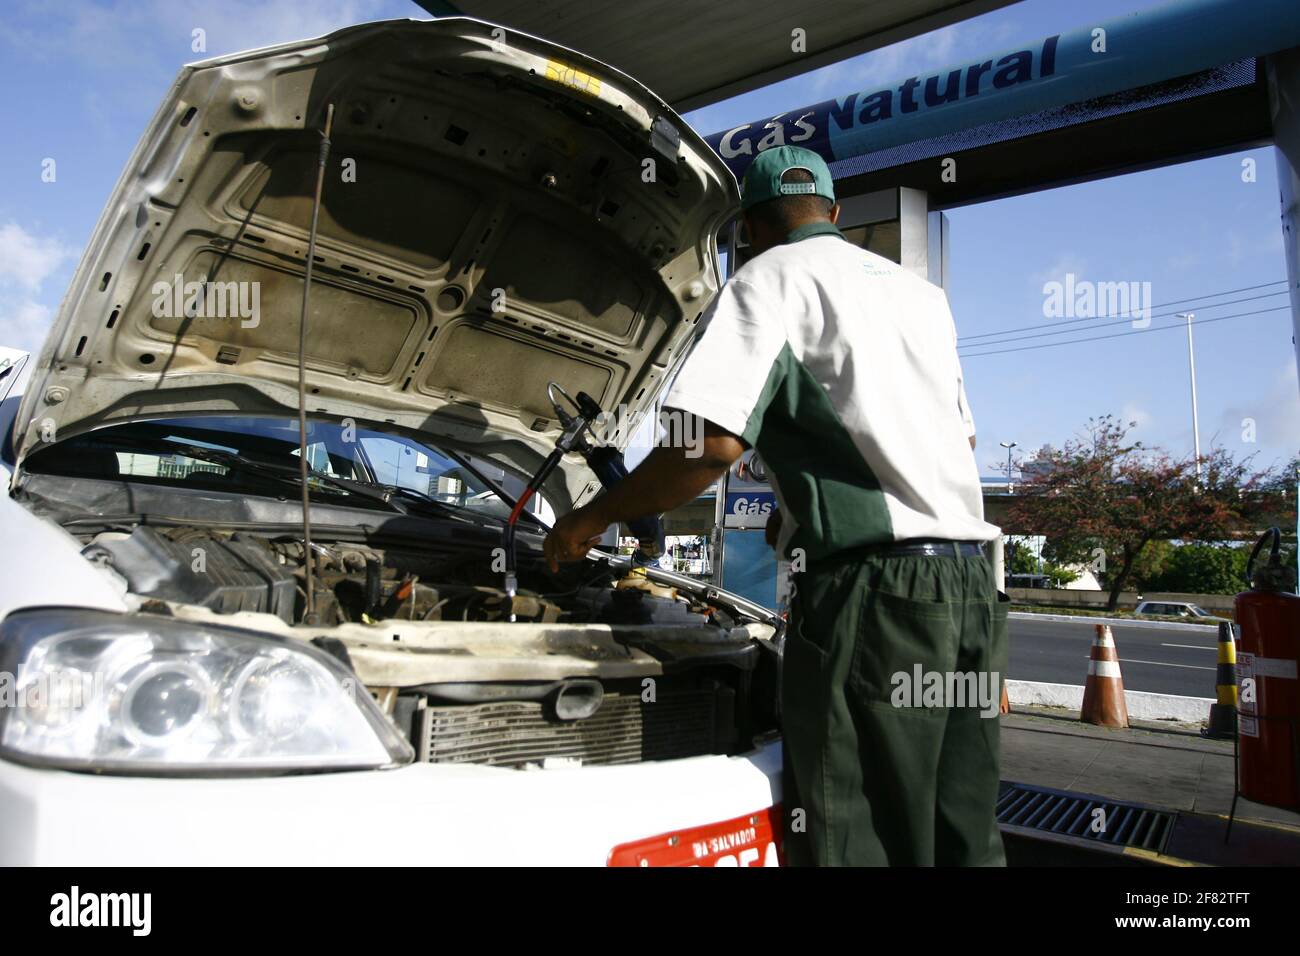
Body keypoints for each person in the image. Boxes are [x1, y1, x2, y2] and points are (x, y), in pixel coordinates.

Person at [543, 145, 1006, 866]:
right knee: (960, 825)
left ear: (747, 230)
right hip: (972, 587)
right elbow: (958, 439)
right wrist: (798, 509)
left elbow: (708, 445)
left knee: (865, 831)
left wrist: (591, 516)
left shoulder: (768, 279)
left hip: (874, 598)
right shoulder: (921, 296)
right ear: (834, 213)